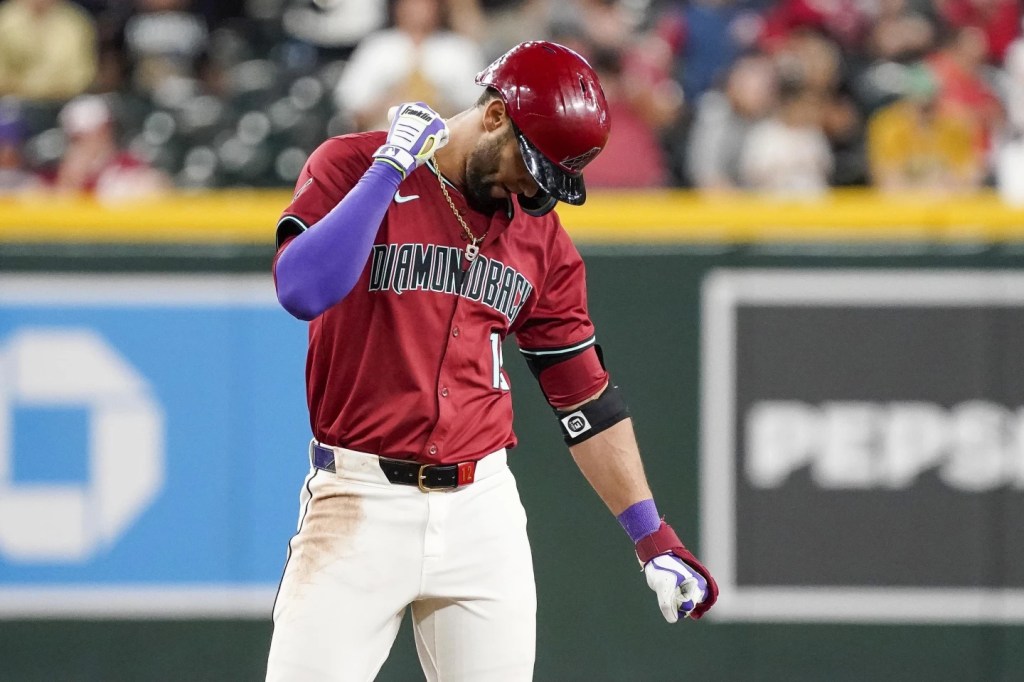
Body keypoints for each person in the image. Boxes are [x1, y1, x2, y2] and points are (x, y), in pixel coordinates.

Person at [266, 40, 718, 681]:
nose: (532, 190)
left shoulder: (540, 237)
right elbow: (302, 290)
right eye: (529, 166)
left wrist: (653, 536)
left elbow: (585, 400)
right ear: (496, 115)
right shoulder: (354, 164)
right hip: (358, 499)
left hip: (481, 512)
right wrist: (388, 170)